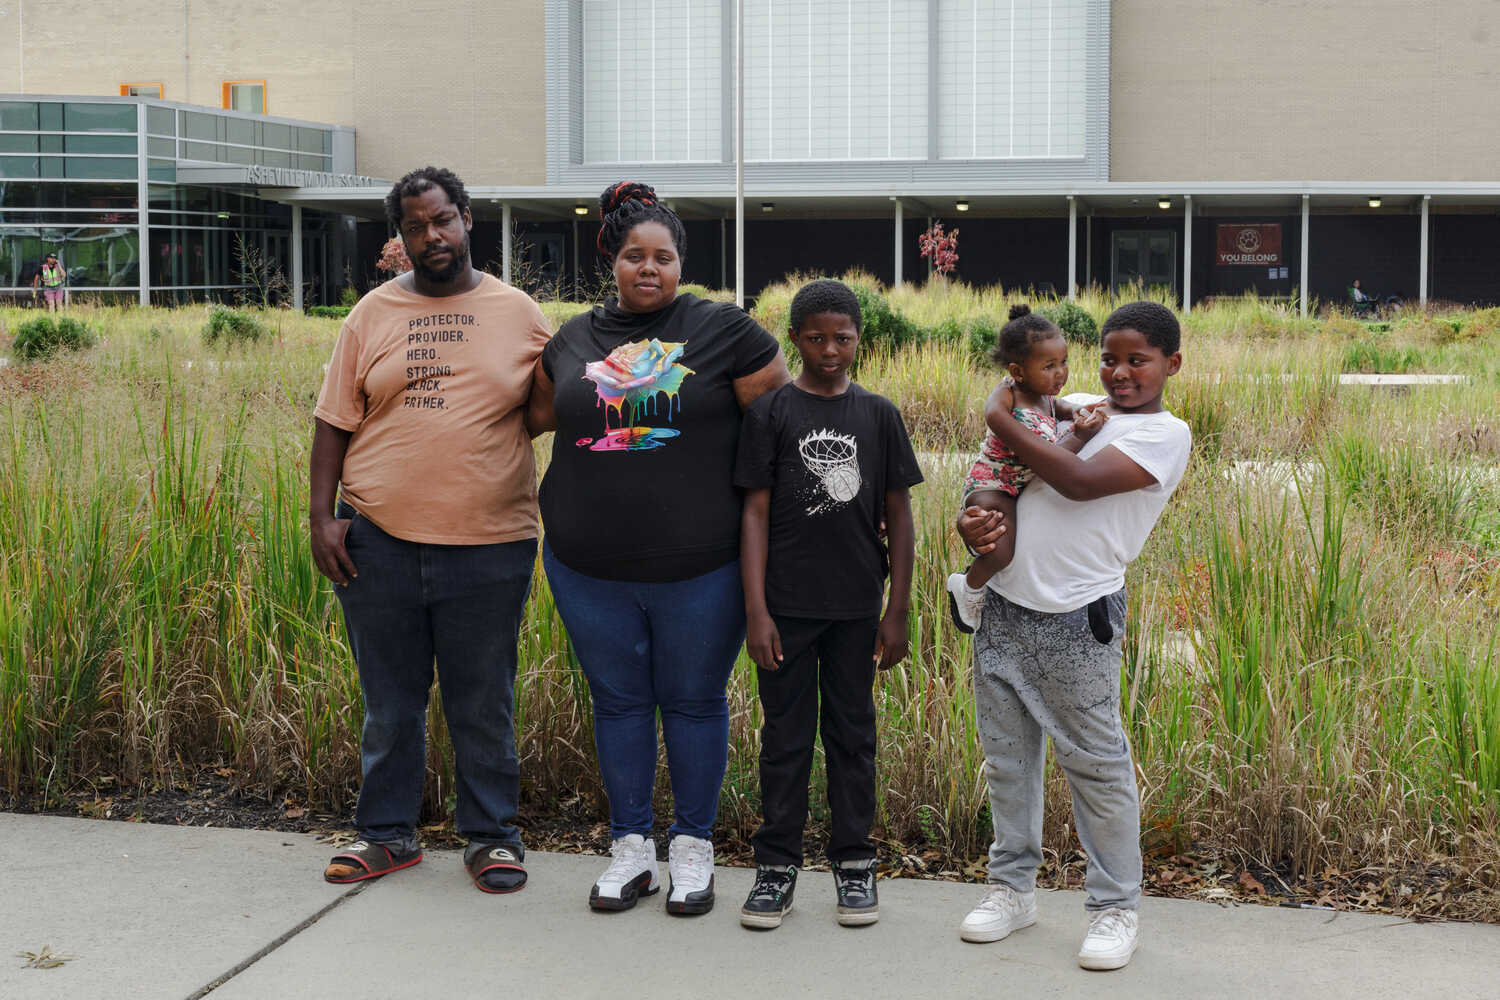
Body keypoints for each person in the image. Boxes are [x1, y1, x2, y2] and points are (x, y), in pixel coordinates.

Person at [527, 181, 790, 916]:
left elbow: (782, 429)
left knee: (694, 701)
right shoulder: (572, 339)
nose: (650, 268)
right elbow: (532, 418)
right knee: (617, 704)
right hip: (585, 566)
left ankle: (693, 848)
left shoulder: (725, 332)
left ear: (681, 264)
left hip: (702, 567)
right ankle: (631, 850)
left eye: (665, 257)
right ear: (611, 258)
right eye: (635, 255)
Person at [310, 166, 551, 894]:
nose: (431, 236)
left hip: (490, 542)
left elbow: (551, 409)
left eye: (442, 219)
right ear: (401, 236)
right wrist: (322, 518)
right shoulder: (371, 316)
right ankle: (386, 836)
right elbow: (332, 423)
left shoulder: (519, 313)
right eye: (415, 226)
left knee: (482, 701)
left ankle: (491, 838)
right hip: (377, 538)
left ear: (467, 218)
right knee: (390, 703)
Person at [954, 301, 1190, 972]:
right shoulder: (1078, 404)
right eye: (1109, 358)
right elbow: (1007, 405)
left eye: (1137, 361)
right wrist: (971, 520)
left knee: (1095, 763)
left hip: (1077, 616)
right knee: (1007, 760)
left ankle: (1116, 906)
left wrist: (1002, 417)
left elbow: (1076, 480)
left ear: (1171, 365)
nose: (1118, 373)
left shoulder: (1165, 434)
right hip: (1003, 606)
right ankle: (1012, 890)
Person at [734, 279, 923, 931]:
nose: (829, 349)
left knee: (853, 737)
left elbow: (899, 516)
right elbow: (753, 514)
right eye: (815, 337)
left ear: (858, 338)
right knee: (785, 739)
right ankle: (777, 867)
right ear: (795, 339)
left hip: (856, 610)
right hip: (784, 609)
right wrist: (755, 610)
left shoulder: (878, 416)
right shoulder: (772, 414)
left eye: (842, 337)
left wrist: (896, 609)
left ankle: (853, 863)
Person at [944, 304, 1097, 635]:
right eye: (1049, 366)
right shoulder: (1009, 395)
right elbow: (1049, 459)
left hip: (1014, 489)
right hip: (992, 486)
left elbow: (1059, 406)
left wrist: (1076, 410)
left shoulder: (1042, 396)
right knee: (1001, 551)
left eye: (1063, 362)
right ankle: (967, 586)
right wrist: (1081, 436)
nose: (1060, 373)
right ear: (1017, 371)